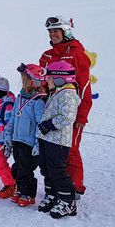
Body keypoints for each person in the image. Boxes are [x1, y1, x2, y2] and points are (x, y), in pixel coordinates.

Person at [39, 16, 92, 195]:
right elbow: (42, 83)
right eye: (51, 31)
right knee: (53, 150)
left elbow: (84, 87)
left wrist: (82, 116)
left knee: (70, 149)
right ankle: (57, 187)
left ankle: (74, 187)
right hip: (50, 110)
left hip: (71, 110)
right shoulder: (47, 55)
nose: (53, 34)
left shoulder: (76, 53)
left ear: (66, 31)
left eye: (56, 31)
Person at [36, 61, 80, 219]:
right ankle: (52, 195)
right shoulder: (56, 93)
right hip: (47, 139)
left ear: (60, 79)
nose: (47, 81)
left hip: (58, 141)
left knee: (57, 171)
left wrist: (50, 125)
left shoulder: (68, 95)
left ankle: (68, 201)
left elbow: (68, 117)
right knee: (46, 168)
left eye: (49, 78)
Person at [2, 64, 47, 207]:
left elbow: (40, 122)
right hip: (17, 139)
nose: (22, 81)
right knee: (17, 167)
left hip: (29, 141)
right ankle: (20, 189)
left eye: (25, 78)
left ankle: (28, 194)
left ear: (34, 81)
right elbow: (13, 117)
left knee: (26, 169)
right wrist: (8, 133)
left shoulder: (38, 100)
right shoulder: (20, 97)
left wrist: (38, 143)